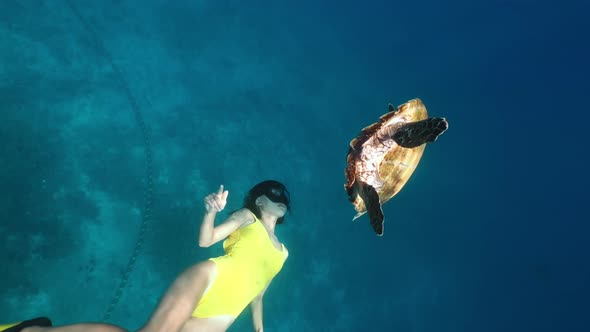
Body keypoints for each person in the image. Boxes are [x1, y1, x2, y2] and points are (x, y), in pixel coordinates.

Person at [3, 180, 291, 332]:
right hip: (208, 280)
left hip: (224, 314)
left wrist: (259, 329)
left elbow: (258, 293)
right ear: (260, 200)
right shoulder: (247, 217)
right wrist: (211, 212)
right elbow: (206, 241)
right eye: (274, 192)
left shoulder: (283, 254)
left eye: (284, 197)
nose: (281, 198)